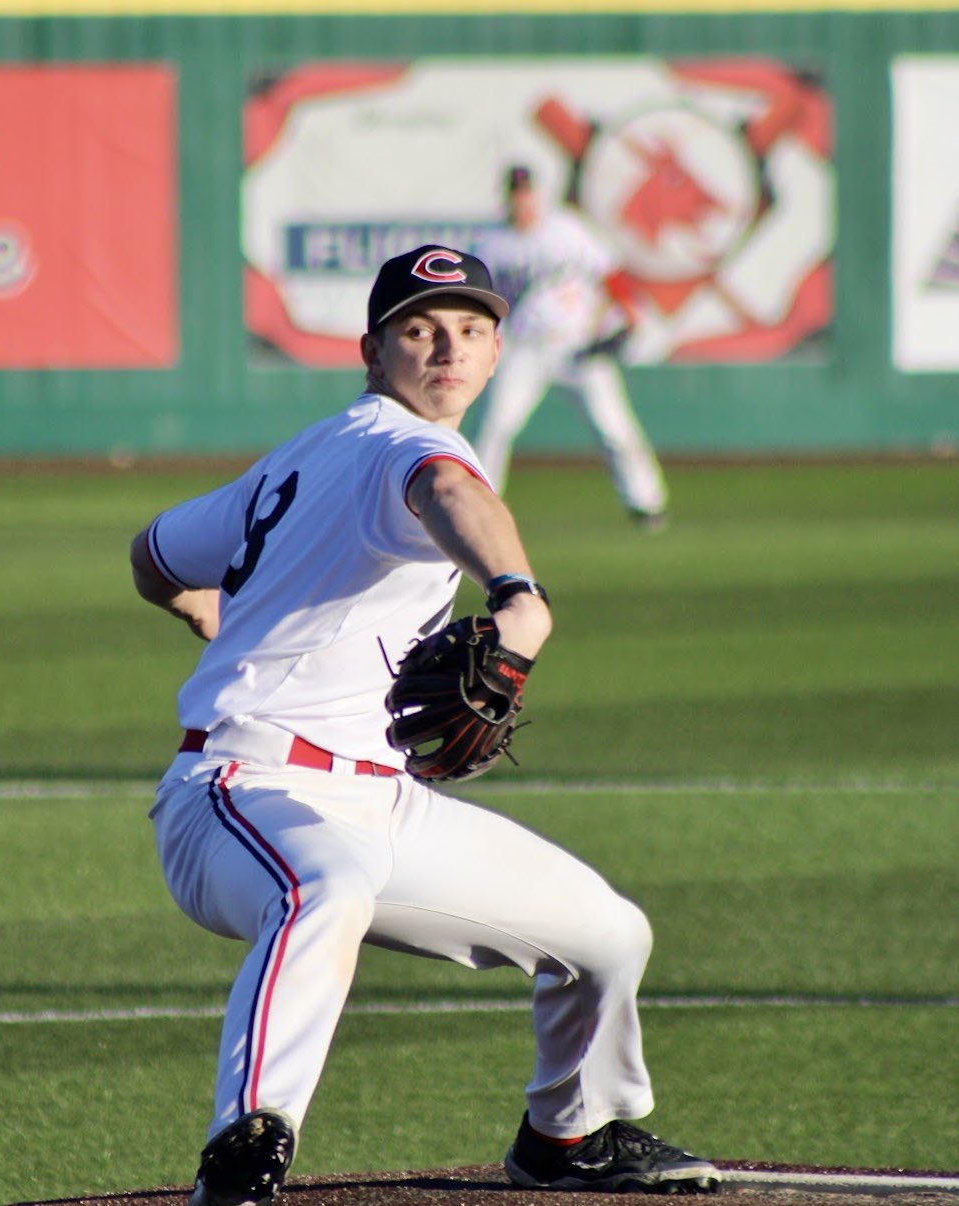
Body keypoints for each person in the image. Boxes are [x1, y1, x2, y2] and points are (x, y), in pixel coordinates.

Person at [129, 245, 720, 1206]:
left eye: (472, 329)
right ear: (374, 352)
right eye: (420, 329)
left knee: (610, 936)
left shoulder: (303, 454)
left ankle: (564, 1136)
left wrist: (198, 606)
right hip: (242, 793)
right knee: (328, 886)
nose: (448, 348)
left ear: (496, 353)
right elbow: (447, 495)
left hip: (380, 800)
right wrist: (519, 595)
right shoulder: (400, 445)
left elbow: (153, 552)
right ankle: (245, 1149)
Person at [472, 165, 669, 529]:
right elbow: (476, 302)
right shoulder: (490, 245)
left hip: (578, 347)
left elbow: (610, 273)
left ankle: (646, 503)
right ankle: (481, 506)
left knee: (614, 428)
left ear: (538, 195)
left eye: (528, 192)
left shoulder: (566, 231)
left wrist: (628, 313)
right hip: (524, 348)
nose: (523, 200)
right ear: (508, 199)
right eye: (517, 194)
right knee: (496, 425)